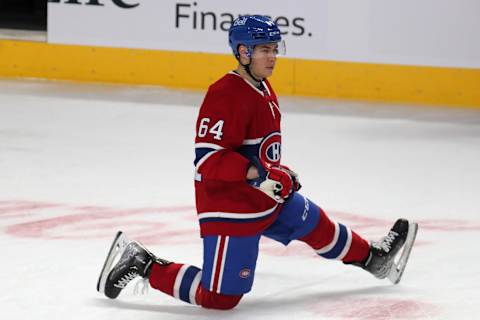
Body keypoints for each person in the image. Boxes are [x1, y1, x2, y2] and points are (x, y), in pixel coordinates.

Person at [97, 15, 418, 310]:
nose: (273, 57)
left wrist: (276, 171)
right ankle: (143, 263)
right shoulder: (224, 94)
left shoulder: (260, 85)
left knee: (319, 227)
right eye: (264, 50)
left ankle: (373, 259)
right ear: (243, 52)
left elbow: (257, 148)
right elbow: (209, 159)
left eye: (275, 49)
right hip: (229, 206)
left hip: (263, 196)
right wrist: (258, 174)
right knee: (221, 298)